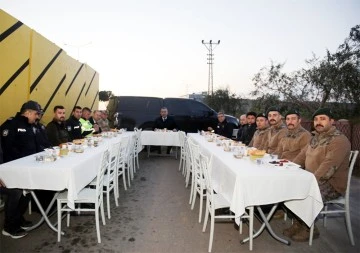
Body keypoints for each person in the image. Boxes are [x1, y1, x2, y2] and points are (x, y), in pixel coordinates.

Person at [283, 108, 351, 242]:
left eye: (323, 119)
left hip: (331, 184)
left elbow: (328, 168)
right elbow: (301, 157)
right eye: (316, 119)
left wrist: (308, 183)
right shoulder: (315, 138)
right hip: (311, 179)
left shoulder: (339, 141)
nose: (318, 122)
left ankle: (310, 228)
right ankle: (298, 223)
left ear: (332, 121)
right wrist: (287, 169)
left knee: (304, 193)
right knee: (288, 187)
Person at [0, 100, 42, 238]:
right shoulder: (11, 125)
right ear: (27, 112)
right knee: (16, 192)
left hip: (24, 169)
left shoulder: (30, 126)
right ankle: (9, 227)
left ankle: (18, 219)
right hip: (8, 171)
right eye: (36, 114)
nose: (37, 117)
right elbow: (2, 150)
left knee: (29, 190)